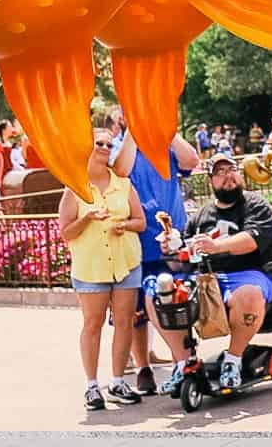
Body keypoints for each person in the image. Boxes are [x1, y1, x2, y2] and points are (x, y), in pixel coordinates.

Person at [150, 153, 272, 395]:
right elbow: (182, 258)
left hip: (247, 274)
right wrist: (172, 247)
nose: (227, 176)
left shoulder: (255, 205)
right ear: (211, 181)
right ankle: (183, 364)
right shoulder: (201, 215)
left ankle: (233, 360)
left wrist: (217, 246)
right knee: (155, 292)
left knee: (249, 294)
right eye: (219, 172)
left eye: (231, 169)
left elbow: (252, 239)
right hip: (204, 277)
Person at [58, 123, 145, 410]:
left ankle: (118, 381)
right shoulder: (75, 187)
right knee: (92, 324)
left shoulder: (123, 183)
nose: (106, 149)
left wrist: (123, 225)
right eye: (100, 144)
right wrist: (87, 218)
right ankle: (92, 386)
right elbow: (66, 232)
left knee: (124, 322)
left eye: (110, 144)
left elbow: (141, 222)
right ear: (88, 147)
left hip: (126, 263)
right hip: (91, 267)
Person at [116, 128, 199, 395]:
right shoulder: (122, 145)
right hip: (139, 241)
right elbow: (120, 170)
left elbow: (191, 161)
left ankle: (182, 363)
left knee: (178, 301)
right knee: (138, 311)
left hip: (173, 239)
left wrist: (166, 128)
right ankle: (143, 368)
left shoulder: (166, 145)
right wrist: (133, 127)